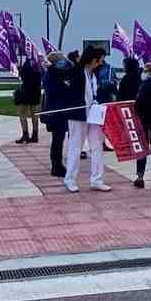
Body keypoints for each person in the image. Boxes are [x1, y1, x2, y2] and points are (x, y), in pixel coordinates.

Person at [63, 46, 113, 193]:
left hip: (93, 115)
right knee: (75, 147)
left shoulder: (94, 74)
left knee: (97, 146)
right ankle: (70, 179)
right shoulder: (76, 72)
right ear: (92, 60)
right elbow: (66, 89)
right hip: (78, 115)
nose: (101, 63)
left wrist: (98, 101)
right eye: (100, 60)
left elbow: (95, 92)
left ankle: (97, 180)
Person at [41, 51, 72, 177]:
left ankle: (57, 164)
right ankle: (56, 166)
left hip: (60, 110)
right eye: (61, 60)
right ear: (55, 62)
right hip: (55, 111)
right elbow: (54, 91)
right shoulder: (51, 74)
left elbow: (71, 67)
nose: (64, 61)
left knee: (59, 139)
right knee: (57, 140)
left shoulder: (57, 73)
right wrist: (65, 88)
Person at [14, 58, 42, 143]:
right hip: (36, 90)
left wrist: (19, 70)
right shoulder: (38, 63)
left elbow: (24, 77)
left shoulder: (27, 63)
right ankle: (35, 135)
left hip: (26, 90)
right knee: (34, 114)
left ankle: (25, 135)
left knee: (22, 113)